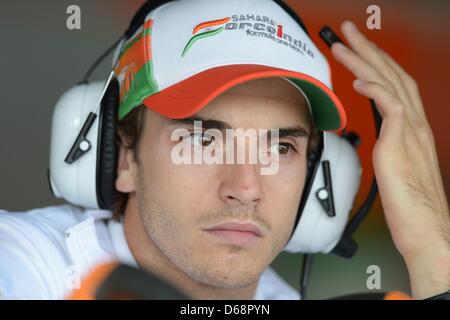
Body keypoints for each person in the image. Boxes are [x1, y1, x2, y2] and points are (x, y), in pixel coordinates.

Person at [0, 0, 449, 300]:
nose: (245, 187)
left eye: (280, 147)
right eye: (202, 139)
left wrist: (433, 245)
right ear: (121, 156)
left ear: (319, 178)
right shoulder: (21, 261)